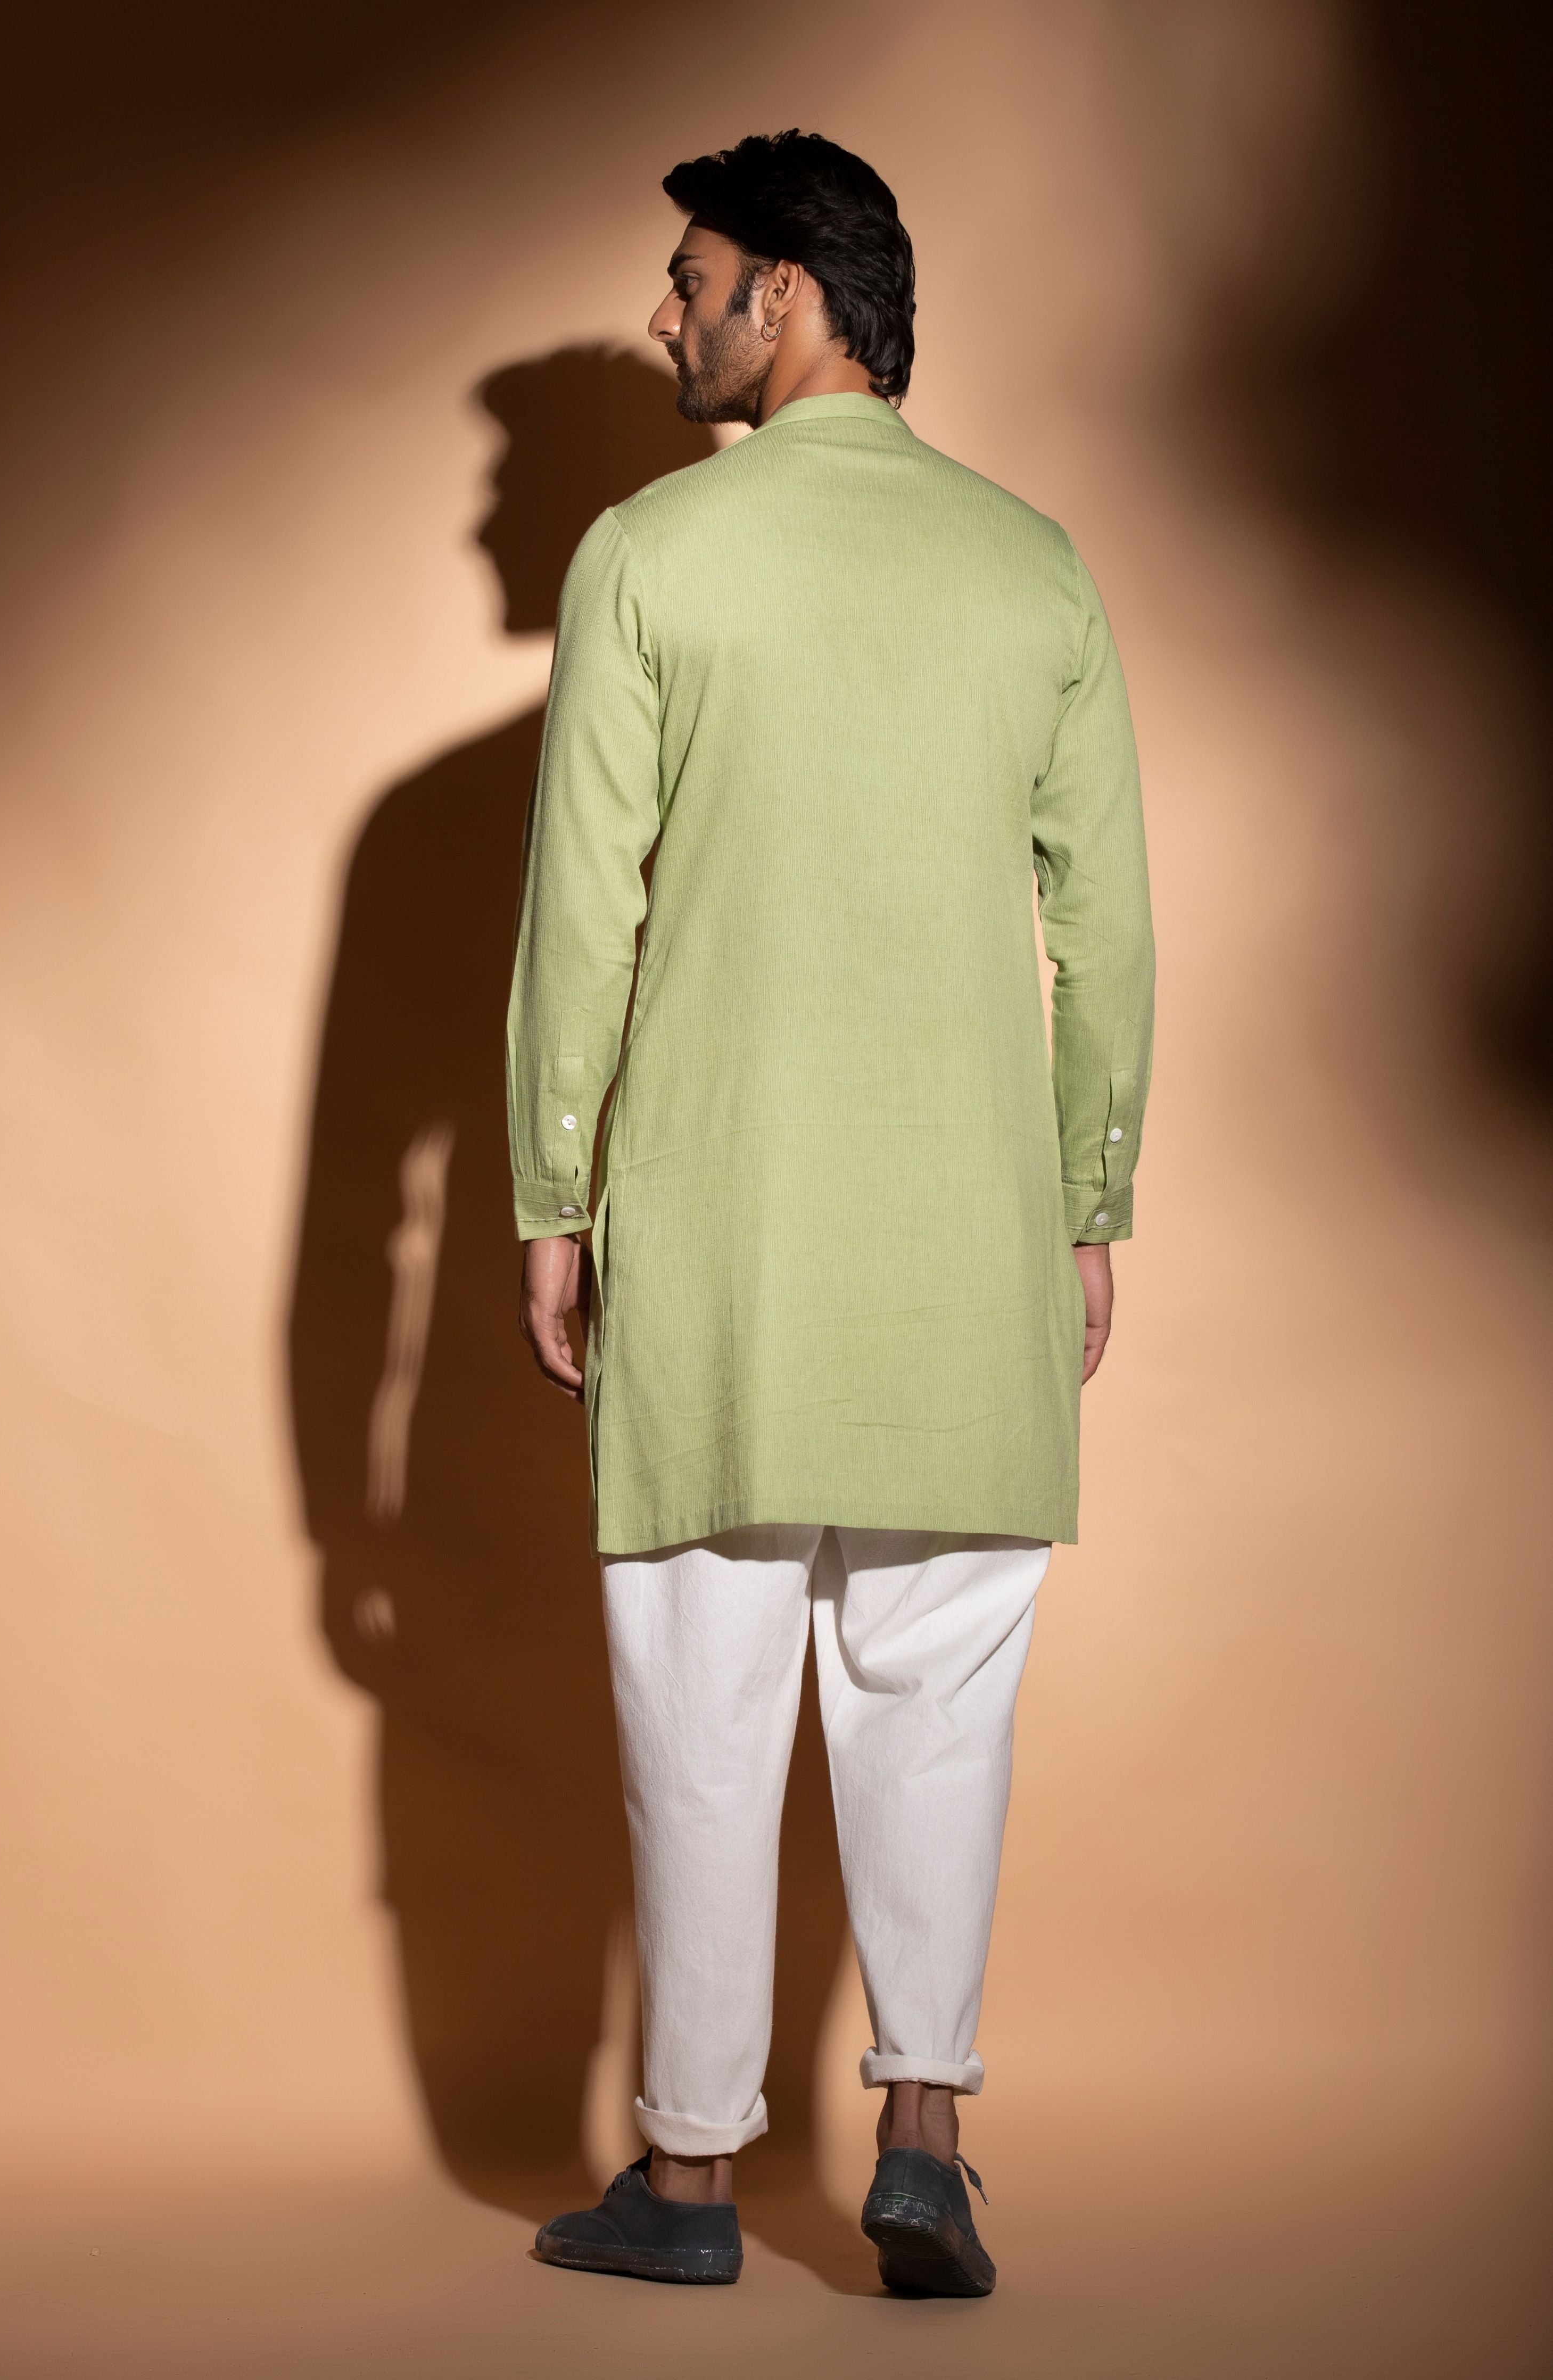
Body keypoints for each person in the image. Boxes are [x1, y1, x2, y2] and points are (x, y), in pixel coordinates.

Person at [506, 130, 1155, 2296]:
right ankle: (925, 2143)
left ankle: (691, 2179)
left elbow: (579, 920)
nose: (665, 314)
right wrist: (1086, 1203)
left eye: (691, 279)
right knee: (937, 1702)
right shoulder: (1035, 569)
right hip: (966, 1251)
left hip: (717, 1237)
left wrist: (550, 1194)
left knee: (703, 1712)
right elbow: (1107, 929)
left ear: (787, 295)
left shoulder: (645, 559)